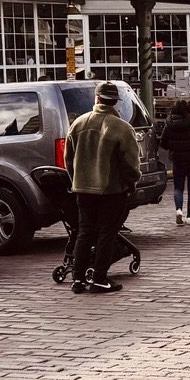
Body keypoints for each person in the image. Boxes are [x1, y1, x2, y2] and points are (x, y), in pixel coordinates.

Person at [64, 81, 142, 294]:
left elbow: (68, 160)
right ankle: (99, 278)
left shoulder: (78, 124)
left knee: (84, 232)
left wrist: (76, 180)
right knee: (107, 233)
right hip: (111, 190)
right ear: (115, 102)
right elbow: (131, 164)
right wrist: (131, 183)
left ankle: (77, 279)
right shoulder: (123, 128)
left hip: (83, 189)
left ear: (96, 99)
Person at [160, 99, 190, 225]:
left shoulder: (169, 123)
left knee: (178, 188)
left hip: (177, 159)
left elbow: (163, 143)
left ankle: (178, 210)